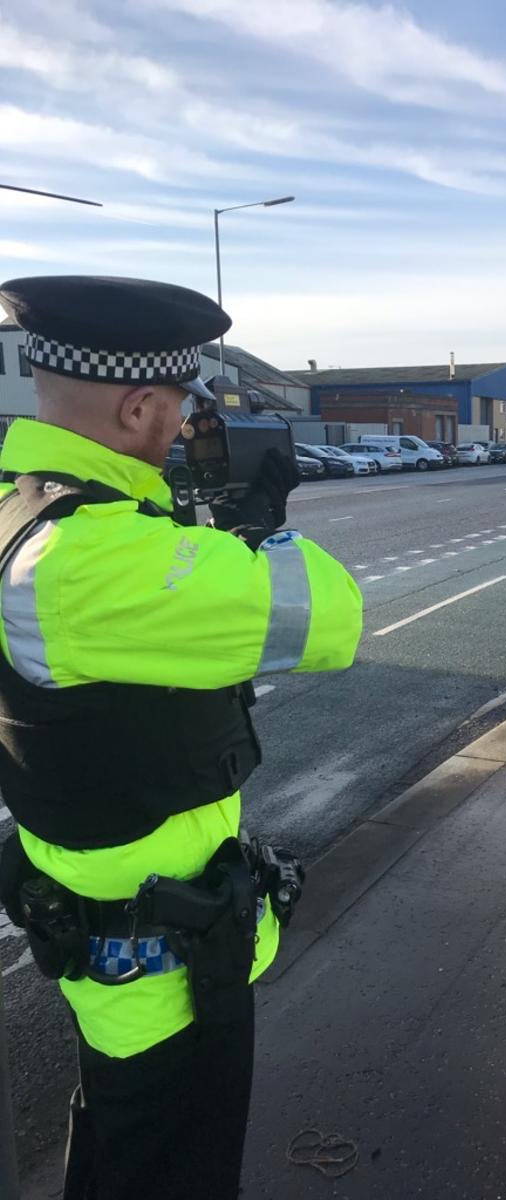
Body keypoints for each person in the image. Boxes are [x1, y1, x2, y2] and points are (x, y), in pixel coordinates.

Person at [0, 275, 363, 1199]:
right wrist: (262, 532)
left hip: (105, 940)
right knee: (173, 1171)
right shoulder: (90, 559)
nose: (188, 427)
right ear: (136, 405)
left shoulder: (23, 507)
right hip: (165, 980)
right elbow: (332, 619)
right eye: (181, 406)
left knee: (122, 1147)